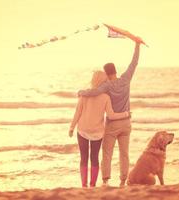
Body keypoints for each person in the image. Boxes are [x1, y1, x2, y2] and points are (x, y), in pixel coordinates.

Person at [78, 40, 141, 187]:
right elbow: (134, 62)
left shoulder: (106, 85)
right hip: (126, 123)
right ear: (116, 71)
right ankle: (123, 181)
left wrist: (82, 92)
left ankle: (105, 180)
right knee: (124, 153)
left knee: (107, 152)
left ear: (106, 73)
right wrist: (137, 45)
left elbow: (93, 92)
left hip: (112, 124)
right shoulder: (126, 79)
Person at [69, 71, 129, 188]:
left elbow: (77, 112)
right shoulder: (106, 97)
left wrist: (72, 127)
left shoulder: (84, 95)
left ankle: (84, 185)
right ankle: (92, 185)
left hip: (82, 130)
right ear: (103, 81)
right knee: (94, 158)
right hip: (97, 133)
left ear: (93, 79)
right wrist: (125, 114)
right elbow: (111, 116)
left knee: (84, 158)